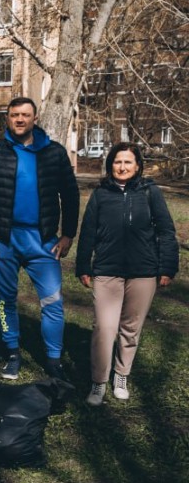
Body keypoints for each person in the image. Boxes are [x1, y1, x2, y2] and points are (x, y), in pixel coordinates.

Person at [0, 96, 80, 380]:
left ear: (35, 118)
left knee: (53, 302)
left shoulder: (54, 153)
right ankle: (12, 354)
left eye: (25, 115)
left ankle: (54, 360)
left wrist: (68, 234)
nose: (19, 119)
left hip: (43, 241)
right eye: (14, 115)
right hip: (3, 240)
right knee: (4, 299)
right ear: (7, 118)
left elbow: (70, 195)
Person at [76, 142, 178, 405]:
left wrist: (167, 267)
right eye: (117, 162)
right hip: (107, 271)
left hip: (143, 272)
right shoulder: (100, 194)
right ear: (111, 165)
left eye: (127, 162)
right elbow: (87, 233)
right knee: (105, 328)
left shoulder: (149, 192)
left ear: (137, 166)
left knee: (130, 329)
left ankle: (121, 374)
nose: (122, 167)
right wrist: (83, 266)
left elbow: (166, 230)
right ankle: (98, 382)